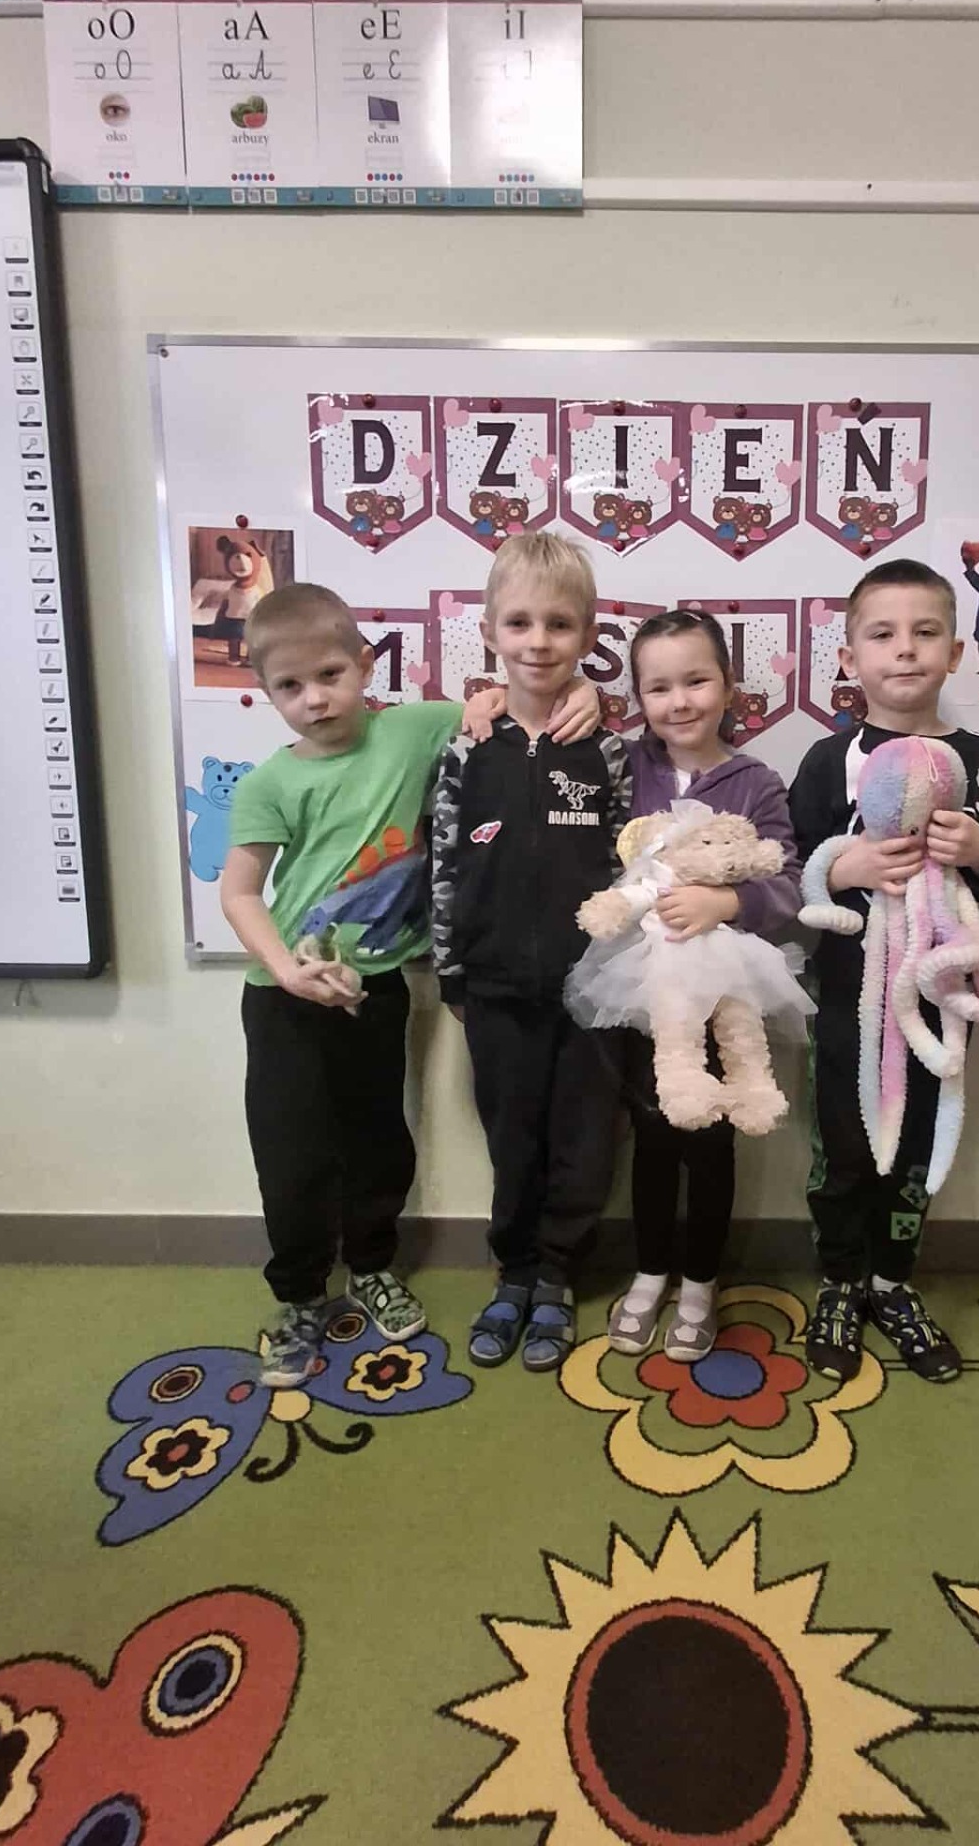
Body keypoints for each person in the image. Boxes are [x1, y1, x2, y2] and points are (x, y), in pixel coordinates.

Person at [219, 581, 597, 1387]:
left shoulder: (416, 729)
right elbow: (240, 892)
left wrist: (586, 693)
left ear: (366, 665)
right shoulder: (268, 784)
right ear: (266, 693)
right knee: (290, 1155)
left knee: (378, 1140)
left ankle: (372, 1267)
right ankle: (298, 1296)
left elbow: (504, 705)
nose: (315, 699)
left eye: (330, 675)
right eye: (290, 687)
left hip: (378, 987)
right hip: (284, 998)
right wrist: (285, 970)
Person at [788, 560, 979, 1385]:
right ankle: (840, 1283)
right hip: (845, 1000)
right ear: (849, 657)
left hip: (942, 1000)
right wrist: (842, 866)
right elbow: (790, 872)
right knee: (845, 1148)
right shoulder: (829, 760)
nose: (905, 650)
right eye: (882, 634)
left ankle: (893, 1283)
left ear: (955, 652)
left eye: (926, 633)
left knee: (919, 1148)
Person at [570, 608, 804, 1362]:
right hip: (641, 991)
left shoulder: (758, 782)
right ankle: (649, 1271)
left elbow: (789, 881)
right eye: (659, 687)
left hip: (725, 990)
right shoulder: (620, 765)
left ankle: (700, 1282)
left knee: (710, 1140)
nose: (679, 701)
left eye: (697, 681)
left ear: (728, 687)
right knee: (651, 1132)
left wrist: (726, 903)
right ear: (637, 696)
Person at [431, 534, 632, 1374]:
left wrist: (622, 966)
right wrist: (451, 966)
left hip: (594, 984)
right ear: (489, 632)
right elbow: (445, 858)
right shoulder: (468, 744)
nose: (538, 642)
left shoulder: (608, 748)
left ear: (588, 636)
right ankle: (513, 1270)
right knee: (512, 1134)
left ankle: (556, 1273)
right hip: (493, 981)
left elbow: (632, 861)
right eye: (519, 623)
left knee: (584, 1138)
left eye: (559, 624)